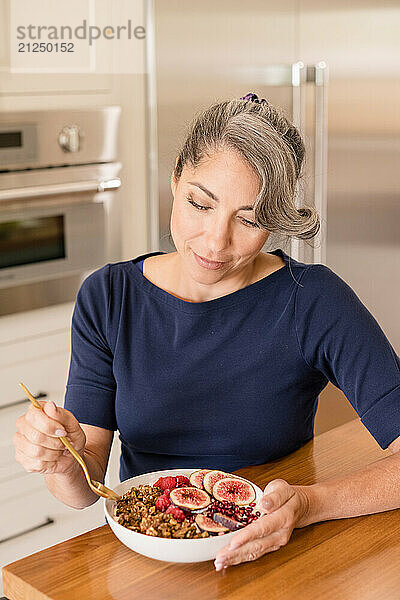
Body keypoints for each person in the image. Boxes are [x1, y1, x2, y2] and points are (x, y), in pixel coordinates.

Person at [14, 93, 400, 571]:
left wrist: (310, 505)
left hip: (276, 553)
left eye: (249, 219)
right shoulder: (109, 297)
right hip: (151, 558)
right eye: (200, 203)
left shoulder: (314, 300)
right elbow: (83, 488)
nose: (216, 241)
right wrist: (61, 460)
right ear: (176, 177)